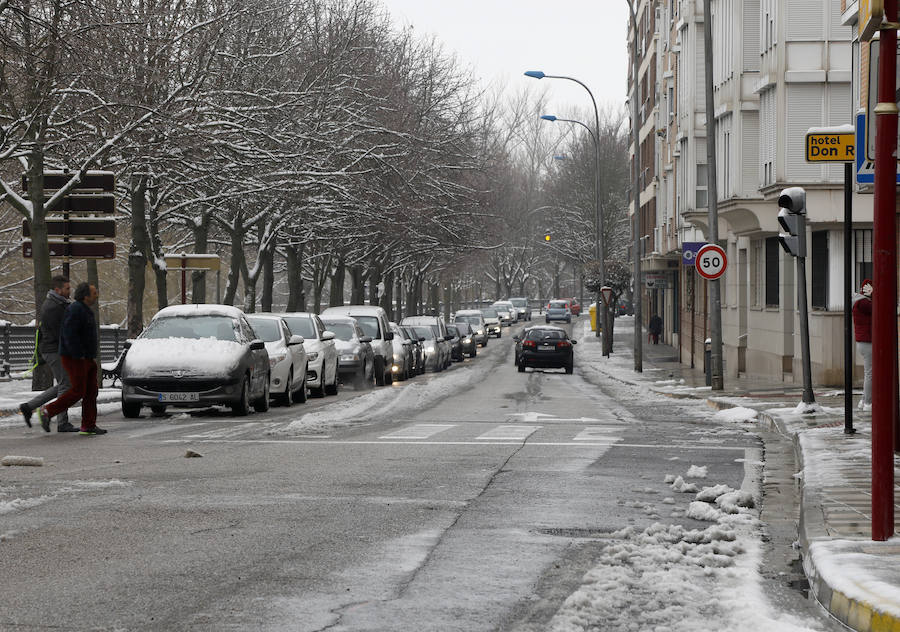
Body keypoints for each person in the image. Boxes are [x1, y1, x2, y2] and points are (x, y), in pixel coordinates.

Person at [35, 282, 106, 435]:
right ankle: (47, 411)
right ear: (86, 296)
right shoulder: (75, 309)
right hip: (75, 357)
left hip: (86, 357)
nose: (97, 295)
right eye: (94, 293)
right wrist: (78, 355)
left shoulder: (85, 310)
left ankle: (88, 425)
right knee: (78, 391)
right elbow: (69, 334)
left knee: (91, 391)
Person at [19, 275, 79, 432]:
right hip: (54, 350)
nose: (69, 290)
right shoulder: (53, 307)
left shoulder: (59, 304)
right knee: (66, 385)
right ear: (57, 290)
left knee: (63, 384)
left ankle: (29, 407)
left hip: (55, 349)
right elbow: (61, 333)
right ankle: (61, 422)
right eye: (67, 288)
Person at [852, 279, 873, 412]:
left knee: (868, 373)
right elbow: (879, 307)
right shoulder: (864, 303)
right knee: (870, 374)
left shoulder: (859, 302)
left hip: (863, 342)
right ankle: (868, 403)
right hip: (867, 342)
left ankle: (863, 400)